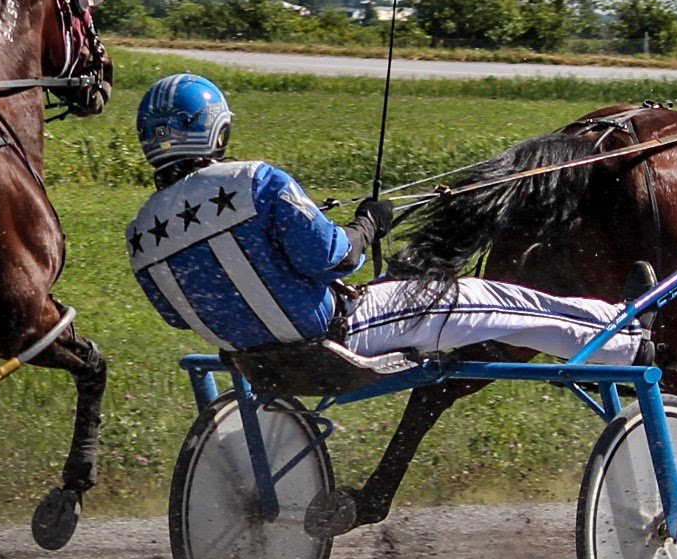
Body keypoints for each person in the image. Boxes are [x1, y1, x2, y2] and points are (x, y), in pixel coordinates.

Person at [126, 73, 646, 367]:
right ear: (217, 133)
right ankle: (622, 336)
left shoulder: (140, 237)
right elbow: (335, 257)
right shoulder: (257, 181)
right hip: (341, 334)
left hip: (253, 359)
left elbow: (179, 315)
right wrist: (369, 225)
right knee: (490, 300)